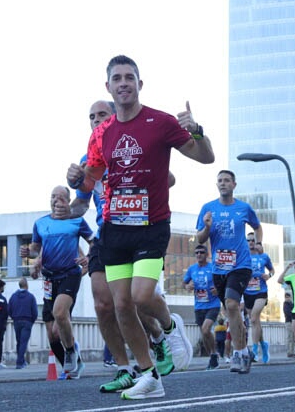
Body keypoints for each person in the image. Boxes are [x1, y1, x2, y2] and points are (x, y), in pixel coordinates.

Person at [79, 56, 214, 400]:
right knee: (121, 304)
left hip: (151, 224)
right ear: (108, 87)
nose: (123, 83)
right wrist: (77, 180)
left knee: (140, 296)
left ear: (140, 84)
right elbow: (91, 179)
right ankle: (149, 375)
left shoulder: (161, 122)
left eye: (129, 77)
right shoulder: (102, 134)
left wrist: (197, 129)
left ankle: (170, 327)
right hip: (114, 228)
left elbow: (205, 157)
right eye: (117, 78)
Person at [66, 98, 176, 394]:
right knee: (104, 303)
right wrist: (68, 207)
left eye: (102, 114)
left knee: (133, 301)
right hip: (108, 234)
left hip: (142, 230)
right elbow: (80, 204)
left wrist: (140, 175)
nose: (96, 119)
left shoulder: (134, 144)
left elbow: (170, 179)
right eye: (91, 116)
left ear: (115, 116)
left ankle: (159, 339)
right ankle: (125, 369)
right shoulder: (88, 158)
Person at [22, 186, 93, 380]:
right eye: (53, 197)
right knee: (52, 335)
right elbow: (36, 249)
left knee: (59, 315)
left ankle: (70, 350)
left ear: (68, 201)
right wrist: (32, 257)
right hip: (49, 279)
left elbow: (93, 242)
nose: (57, 201)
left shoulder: (76, 221)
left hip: (69, 275)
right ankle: (71, 367)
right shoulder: (41, 223)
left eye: (62, 198)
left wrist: (88, 257)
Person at [196, 169, 262, 374]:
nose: (223, 183)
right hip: (219, 268)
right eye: (220, 181)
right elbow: (200, 239)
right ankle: (245, 352)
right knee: (231, 311)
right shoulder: (208, 209)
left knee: (232, 304)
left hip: (241, 265)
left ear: (234, 184)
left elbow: (257, 226)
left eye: (226, 180)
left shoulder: (244, 208)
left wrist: (258, 242)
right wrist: (207, 227)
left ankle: (238, 353)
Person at [183, 245, 221, 370]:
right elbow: (184, 283)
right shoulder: (191, 269)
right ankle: (212, 355)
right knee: (204, 334)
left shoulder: (213, 267)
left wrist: (218, 289)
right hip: (199, 305)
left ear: (206, 254)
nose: (199, 255)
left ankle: (214, 354)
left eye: (201, 252)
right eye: (197, 253)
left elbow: (223, 281)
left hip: (213, 304)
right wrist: (188, 286)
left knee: (206, 329)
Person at [244, 233, 275, 364]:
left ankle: (255, 351)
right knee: (255, 322)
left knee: (254, 318)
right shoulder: (243, 256)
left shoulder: (264, 257)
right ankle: (264, 345)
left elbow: (272, 270)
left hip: (261, 291)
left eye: (254, 240)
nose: (251, 242)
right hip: (247, 292)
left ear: (258, 242)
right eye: (249, 240)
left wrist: (269, 275)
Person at [8, 277, 37, 368]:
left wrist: (14, 317)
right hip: (27, 320)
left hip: (17, 320)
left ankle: (21, 360)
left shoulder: (13, 296)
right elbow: (34, 311)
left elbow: (9, 309)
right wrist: (32, 320)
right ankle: (20, 362)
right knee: (24, 342)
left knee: (19, 341)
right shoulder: (31, 297)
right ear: (26, 285)